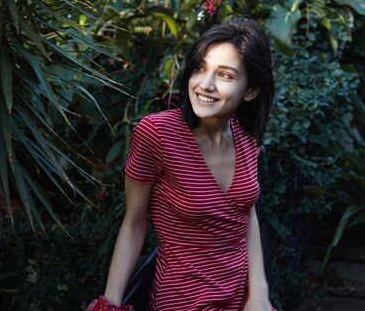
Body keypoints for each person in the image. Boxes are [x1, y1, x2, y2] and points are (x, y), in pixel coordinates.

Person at [87, 19, 277, 311]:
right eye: (200, 68)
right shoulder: (157, 134)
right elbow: (134, 223)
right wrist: (110, 303)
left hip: (242, 299)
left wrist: (259, 294)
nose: (206, 84)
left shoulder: (245, 138)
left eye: (225, 75)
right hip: (182, 299)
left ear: (250, 90)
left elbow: (246, 214)